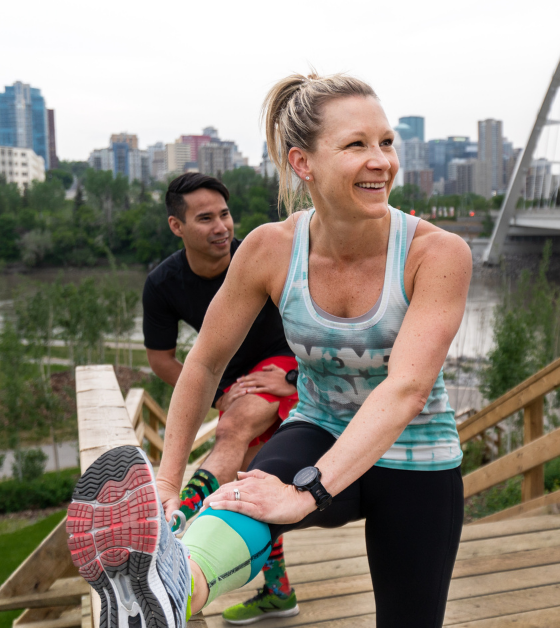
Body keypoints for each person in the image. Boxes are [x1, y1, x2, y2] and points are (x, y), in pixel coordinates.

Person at [66, 71, 471, 628]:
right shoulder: (269, 248)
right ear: (303, 163)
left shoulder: (437, 253)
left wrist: (310, 493)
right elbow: (204, 362)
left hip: (417, 456)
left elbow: (407, 386)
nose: (381, 160)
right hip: (318, 425)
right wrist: (167, 480)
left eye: (386, 142)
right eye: (356, 145)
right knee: (246, 496)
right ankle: (171, 594)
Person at [140, 172, 299, 622]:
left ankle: (172, 522)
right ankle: (279, 590)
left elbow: (321, 324)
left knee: (232, 435)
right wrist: (215, 398)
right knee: (251, 482)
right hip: (234, 385)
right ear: (177, 226)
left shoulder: (260, 255)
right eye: (205, 218)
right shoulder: (164, 284)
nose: (221, 227)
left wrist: (297, 381)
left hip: (285, 367)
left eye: (225, 214)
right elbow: (161, 359)